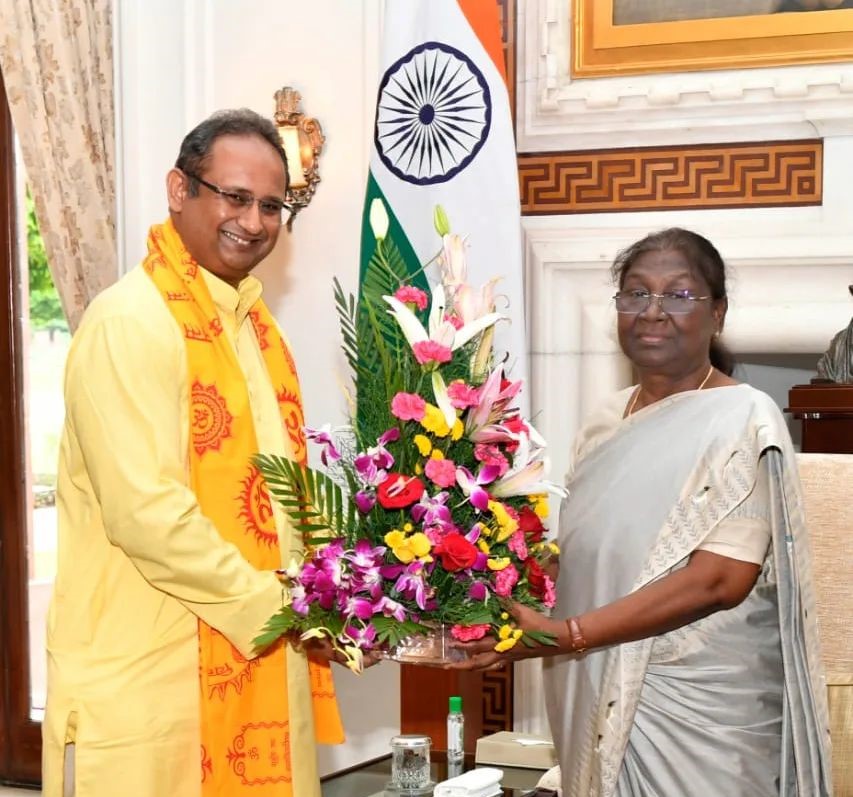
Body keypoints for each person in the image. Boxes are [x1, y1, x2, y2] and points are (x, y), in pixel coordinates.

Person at [450, 228, 833, 796]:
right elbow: (590, 563)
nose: (653, 313)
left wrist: (568, 635)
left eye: (679, 296)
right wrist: (501, 599)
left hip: (706, 709)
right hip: (594, 680)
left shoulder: (744, 418)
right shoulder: (604, 423)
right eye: (635, 294)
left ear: (718, 313)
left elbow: (720, 580)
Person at [43, 109, 346, 797]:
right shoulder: (130, 321)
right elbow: (147, 513)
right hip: (150, 684)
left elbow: (286, 499)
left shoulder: (252, 326)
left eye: (273, 205)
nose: (256, 221)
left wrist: (339, 588)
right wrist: (288, 609)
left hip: (260, 664)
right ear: (179, 190)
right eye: (234, 197)